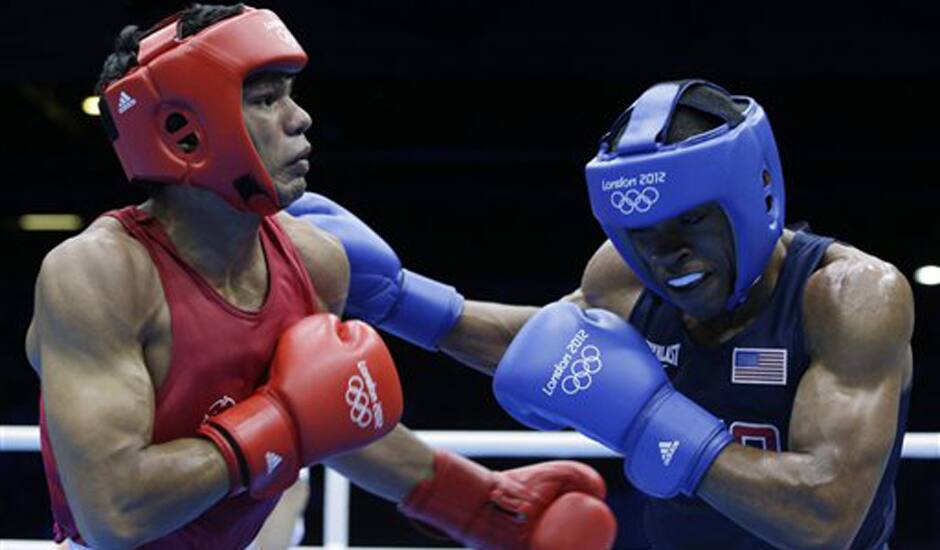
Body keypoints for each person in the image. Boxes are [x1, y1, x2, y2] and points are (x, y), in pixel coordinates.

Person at [25, 4, 618, 549]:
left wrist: (477, 505)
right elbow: (115, 513)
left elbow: (328, 416)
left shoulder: (315, 261)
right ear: (183, 128)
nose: (300, 118)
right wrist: (278, 418)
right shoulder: (100, 274)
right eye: (264, 99)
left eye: (290, 94)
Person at [290, 79, 914, 548]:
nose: (666, 255)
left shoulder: (848, 296)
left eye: (691, 221)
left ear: (753, 197)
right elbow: (543, 347)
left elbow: (827, 516)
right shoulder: (620, 274)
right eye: (640, 232)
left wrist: (652, 421)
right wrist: (400, 297)